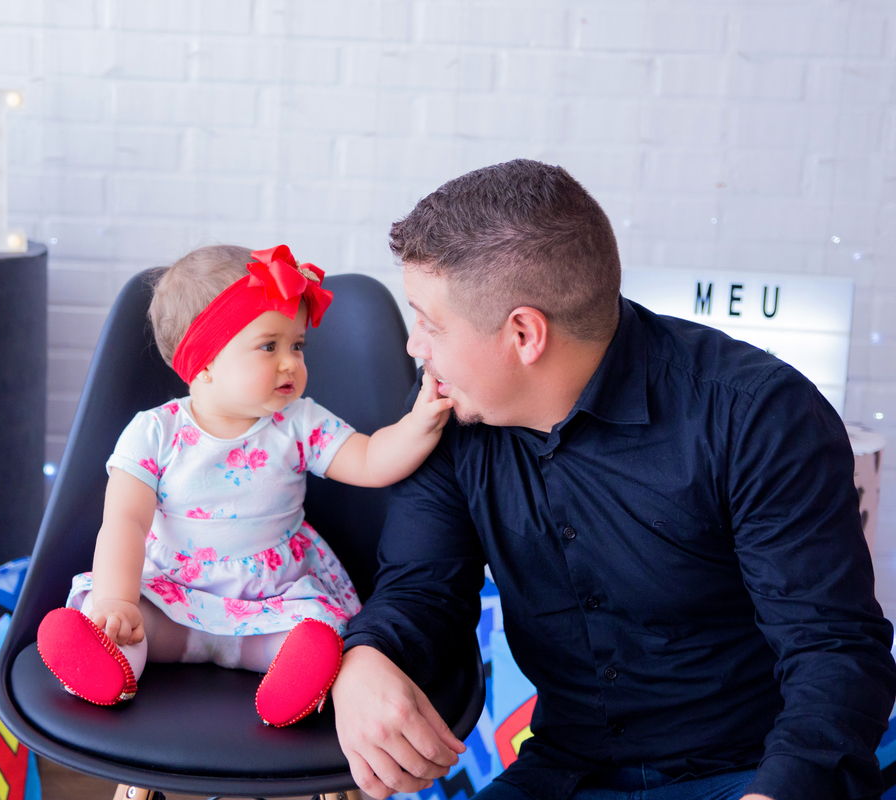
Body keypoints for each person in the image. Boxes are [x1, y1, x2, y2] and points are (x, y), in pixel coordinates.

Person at [333, 160, 896, 800]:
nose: (414, 346)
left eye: (429, 322)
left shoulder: (757, 416)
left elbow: (833, 652)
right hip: (565, 772)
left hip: (752, 771)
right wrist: (365, 657)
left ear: (524, 334)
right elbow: (424, 590)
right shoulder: (450, 414)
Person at [36, 243, 453, 727]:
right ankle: (110, 666)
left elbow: (370, 460)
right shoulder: (156, 431)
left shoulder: (297, 423)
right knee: (120, 622)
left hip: (269, 596)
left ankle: (293, 675)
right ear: (205, 361)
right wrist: (116, 599)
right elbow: (125, 524)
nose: (290, 363)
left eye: (297, 345)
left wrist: (420, 424)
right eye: (268, 346)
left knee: (317, 629)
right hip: (172, 592)